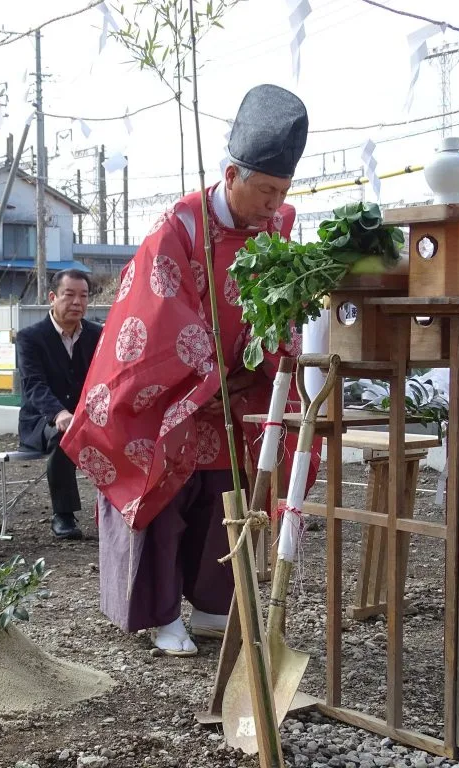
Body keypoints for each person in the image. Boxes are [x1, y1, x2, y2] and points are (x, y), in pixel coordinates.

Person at [61, 85, 318, 656]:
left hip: (237, 386)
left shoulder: (275, 231)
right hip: (173, 389)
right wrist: (206, 365)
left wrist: (267, 351)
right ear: (231, 175)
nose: (274, 205)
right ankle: (158, 614)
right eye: (265, 190)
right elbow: (155, 308)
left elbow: (279, 306)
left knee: (224, 488)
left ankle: (211, 604)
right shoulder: (179, 228)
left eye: (282, 192)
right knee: (164, 492)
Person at [16, 269, 102, 540]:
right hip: (43, 420)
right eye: (69, 295)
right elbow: (33, 385)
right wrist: (58, 413)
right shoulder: (30, 337)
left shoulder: (98, 335)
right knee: (64, 432)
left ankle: (119, 508)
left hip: (87, 416)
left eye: (84, 296)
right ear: (52, 297)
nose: (77, 302)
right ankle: (63, 514)